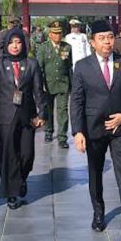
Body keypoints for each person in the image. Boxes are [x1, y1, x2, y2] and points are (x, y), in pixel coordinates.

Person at [71, 20, 121, 241]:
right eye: (102, 38)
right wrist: (77, 131)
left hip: (120, 128)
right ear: (93, 42)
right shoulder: (82, 66)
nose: (107, 42)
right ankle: (98, 212)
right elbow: (76, 100)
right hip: (94, 129)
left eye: (110, 37)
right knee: (95, 172)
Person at [0, 27, 47, 210]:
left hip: (27, 116)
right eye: (11, 42)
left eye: (18, 42)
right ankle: (11, 192)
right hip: (4, 116)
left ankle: (21, 178)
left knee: (27, 154)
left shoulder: (32, 64)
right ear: (6, 45)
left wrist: (42, 113)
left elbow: (38, 90)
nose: (15, 46)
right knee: (8, 154)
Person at [37, 20, 73, 148]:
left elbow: (69, 66)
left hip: (63, 84)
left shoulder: (67, 47)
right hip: (48, 84)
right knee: (48, 109)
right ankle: (48, 131)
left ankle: (62, 137)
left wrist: (72, 85)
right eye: (55, 33)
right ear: (50, 34)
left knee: (63, 111)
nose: (58, 36)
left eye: (59, 33)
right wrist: (40, 85)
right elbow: (39, 68)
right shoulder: (43, 48)